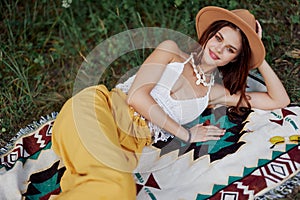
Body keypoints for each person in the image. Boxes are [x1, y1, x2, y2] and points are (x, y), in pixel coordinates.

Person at [51, 6, 290, 199]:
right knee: (112, 182)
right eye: (218, 38)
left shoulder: (213, 93)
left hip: (126, 144)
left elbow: (278, 100)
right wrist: (185, 134)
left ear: (234, 59)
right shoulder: (171, 51)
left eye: (230, 49)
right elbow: (136, 97)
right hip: (97, 110)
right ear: (208, 34)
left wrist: (259, 58)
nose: (218, 48)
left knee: (120, 189)